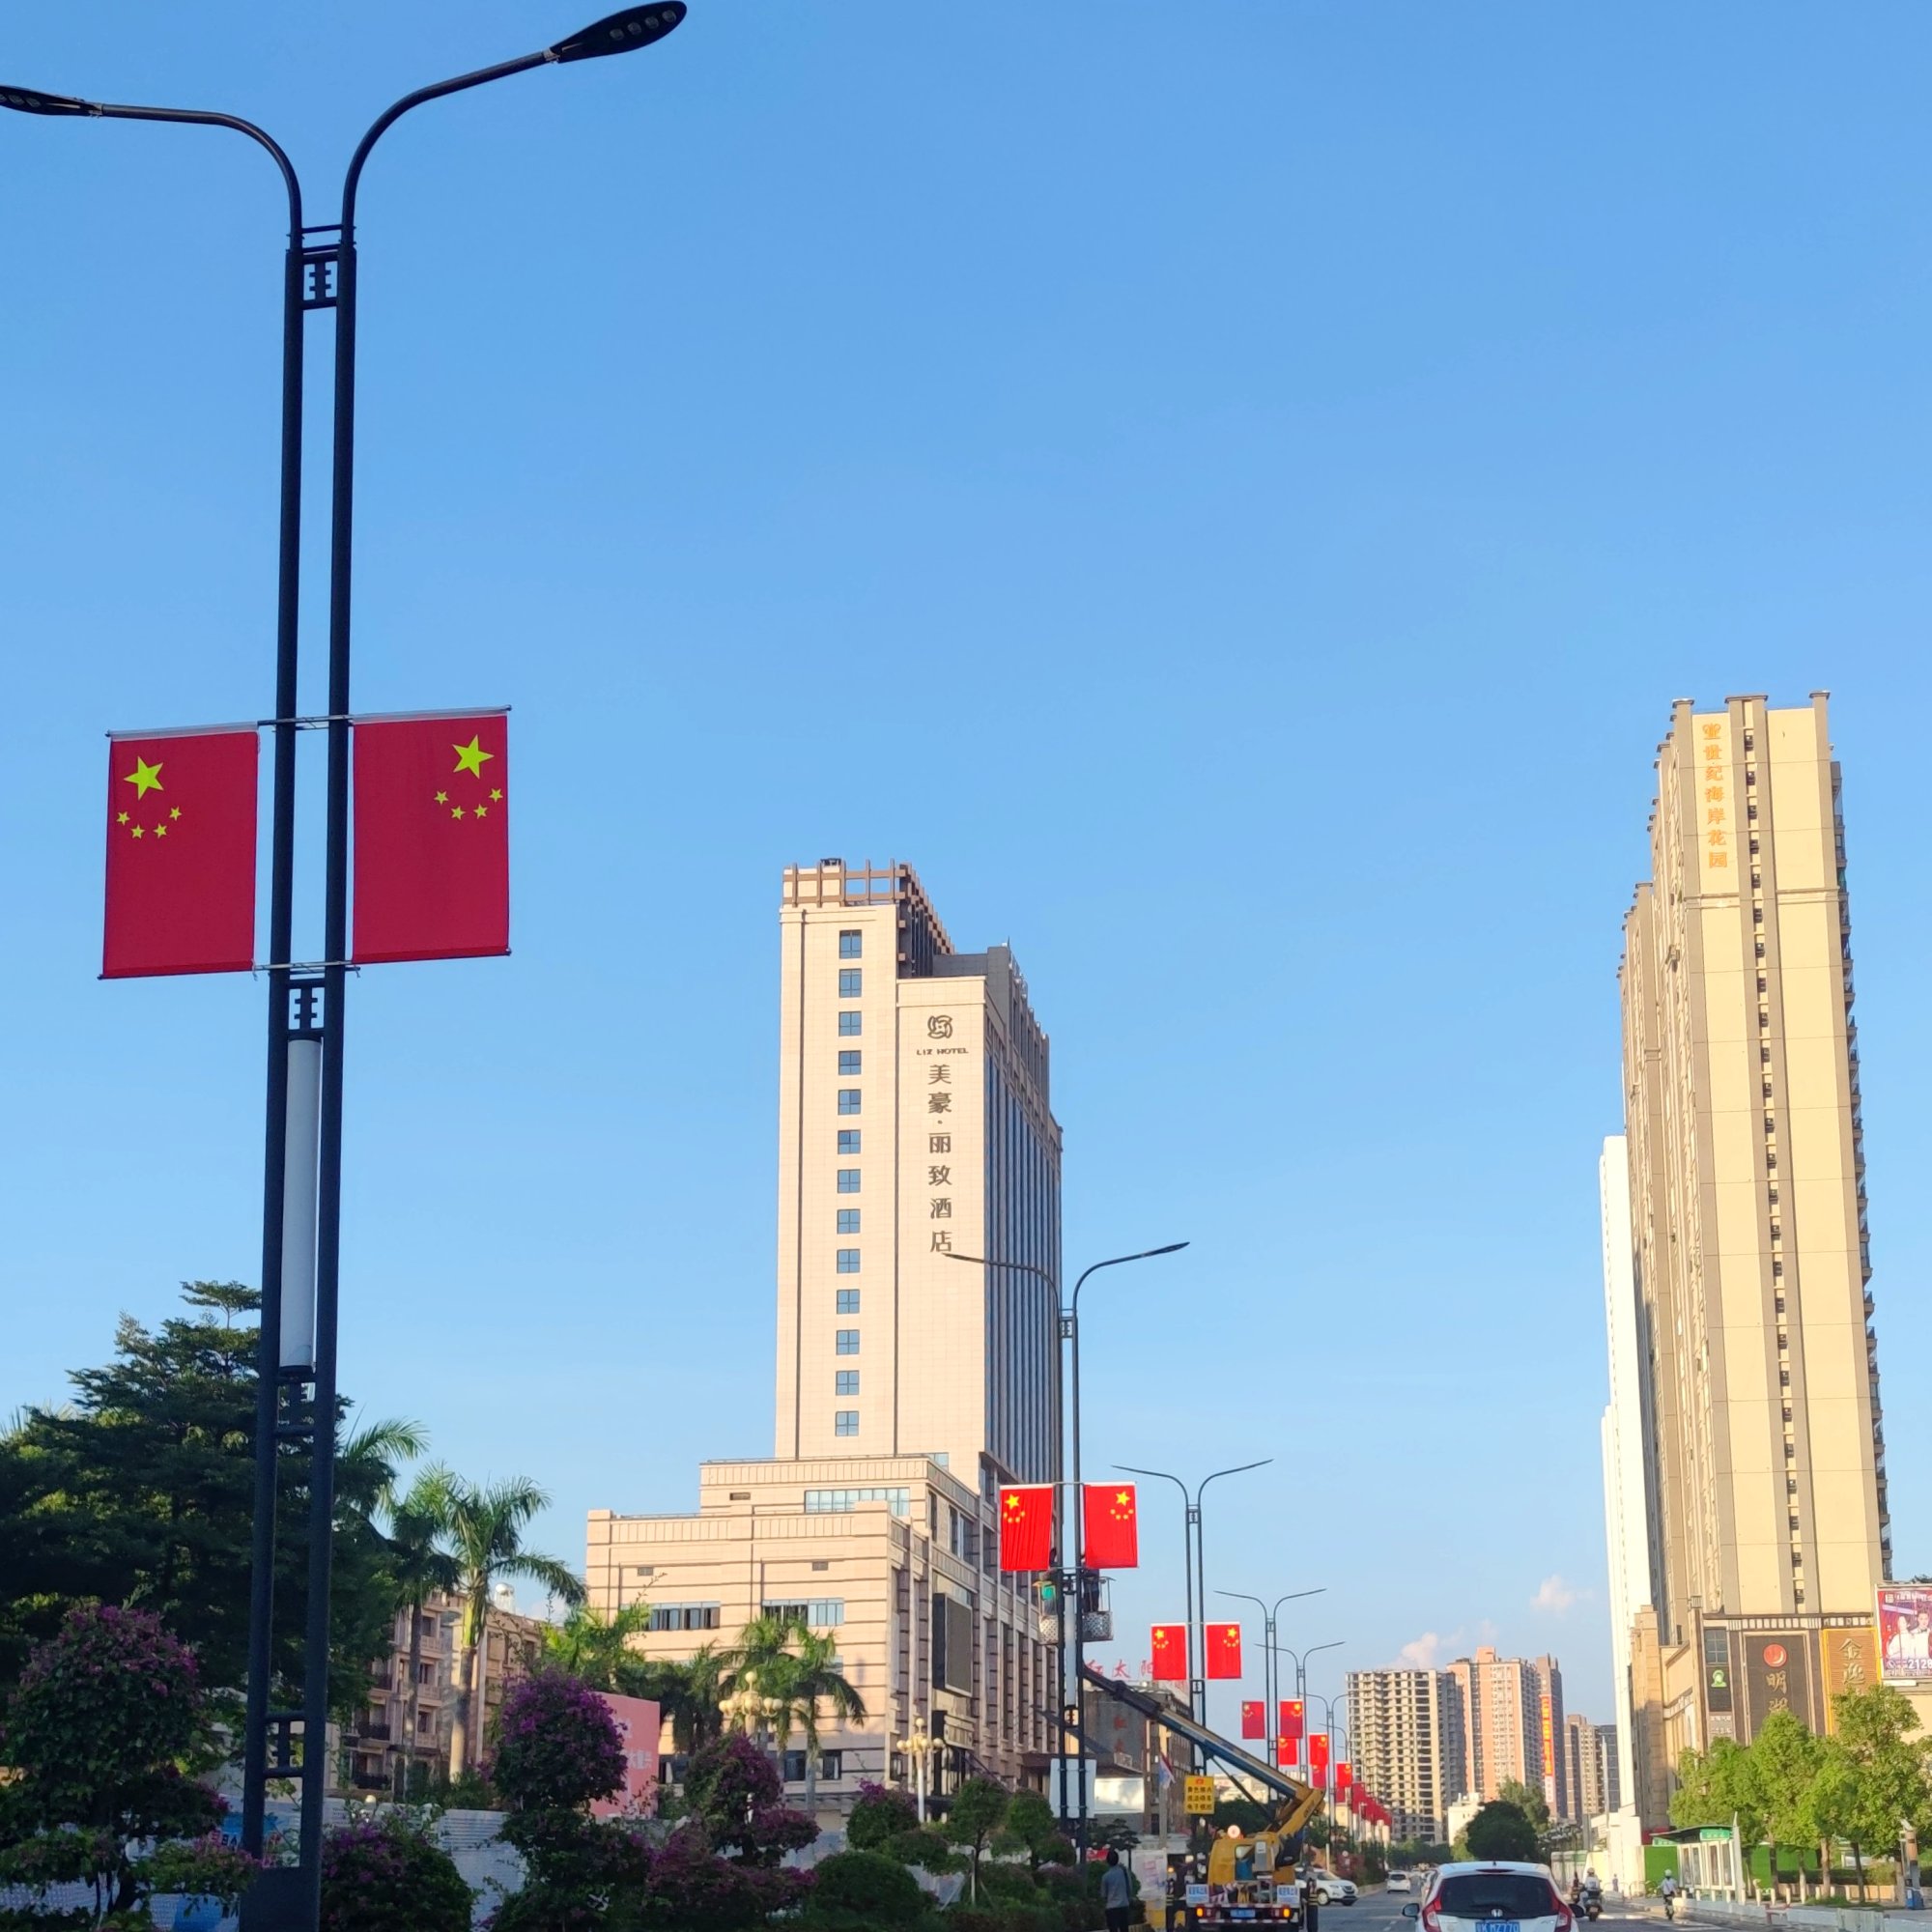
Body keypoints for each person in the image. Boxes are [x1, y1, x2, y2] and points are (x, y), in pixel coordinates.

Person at [1101, 1848, 1132, 1932]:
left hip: (1111, 1908)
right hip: (1123, 1906)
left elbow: (1103, 1895)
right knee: (1124, 1929)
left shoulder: (1105, 1877)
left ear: (1107, 1861)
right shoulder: (1124, 1872)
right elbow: (1130, 1888)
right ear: (1118, 1860)